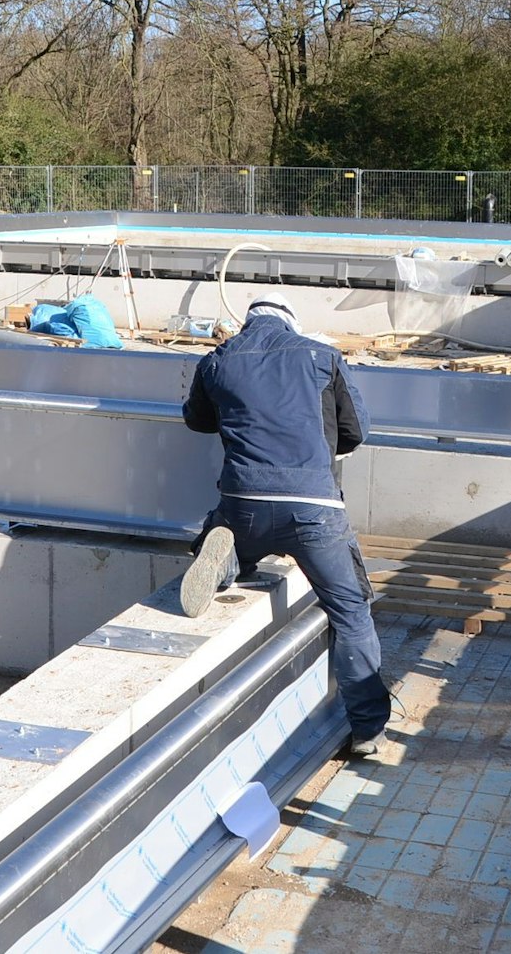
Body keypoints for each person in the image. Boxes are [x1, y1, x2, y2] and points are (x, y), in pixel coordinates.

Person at [180, 294, 393, 757]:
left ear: (246, 322)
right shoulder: (321, 356)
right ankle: (368, 730)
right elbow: (357, 430)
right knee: (351, 611)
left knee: (231, 533)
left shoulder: (217, 360)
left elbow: (196, 420)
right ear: (291, 323)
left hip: (244, 502)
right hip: (313, 507)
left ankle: (223, 560)